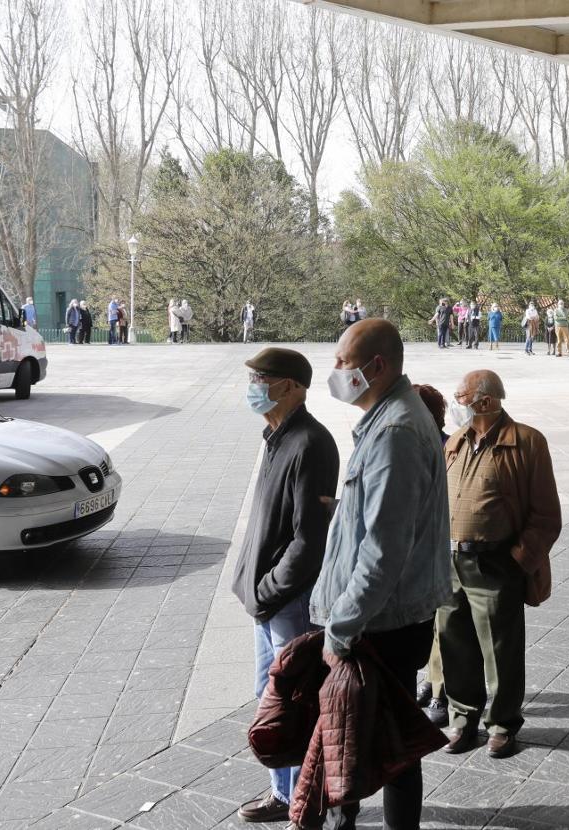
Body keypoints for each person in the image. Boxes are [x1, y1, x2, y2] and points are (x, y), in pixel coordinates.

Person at [312, 319, 451, 830]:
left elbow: (383, 550)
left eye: (343, 364)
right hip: (381, 617)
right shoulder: (386, 419)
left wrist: (342, 626)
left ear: (378, 367)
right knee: (376, 737)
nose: (335, 373)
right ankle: (347, 815)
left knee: (387, 744)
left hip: (382, 624)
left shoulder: (395, 431)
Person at [232, 348, 339, 825]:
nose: (254, 386)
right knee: (271, 696)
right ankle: (284, 791)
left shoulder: (311, 443)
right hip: (268, 599)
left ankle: (300, 800)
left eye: (263, 378)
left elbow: (308, 540)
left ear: (292, 386)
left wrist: (270, 590)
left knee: (293, 701)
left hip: (287, 600)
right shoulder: (277, 435)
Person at [440, 369, 561, 759]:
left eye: (461, 397)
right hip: (450, 562)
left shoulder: (526, 441)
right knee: (454, 645)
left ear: (485, 401)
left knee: (501, 650)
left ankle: (503, 723)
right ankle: (462, 719)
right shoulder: (456, 441)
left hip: (495, 563)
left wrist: (518, 559)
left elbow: (546, 515)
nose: (457, 404)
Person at [412, 383, 451, 727]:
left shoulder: (446, 448)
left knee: (442, 623)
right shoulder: (409, 445)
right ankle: (430, 680)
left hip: (441, 548)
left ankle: (440, 690)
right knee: (427, 623)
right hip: (414, 552)